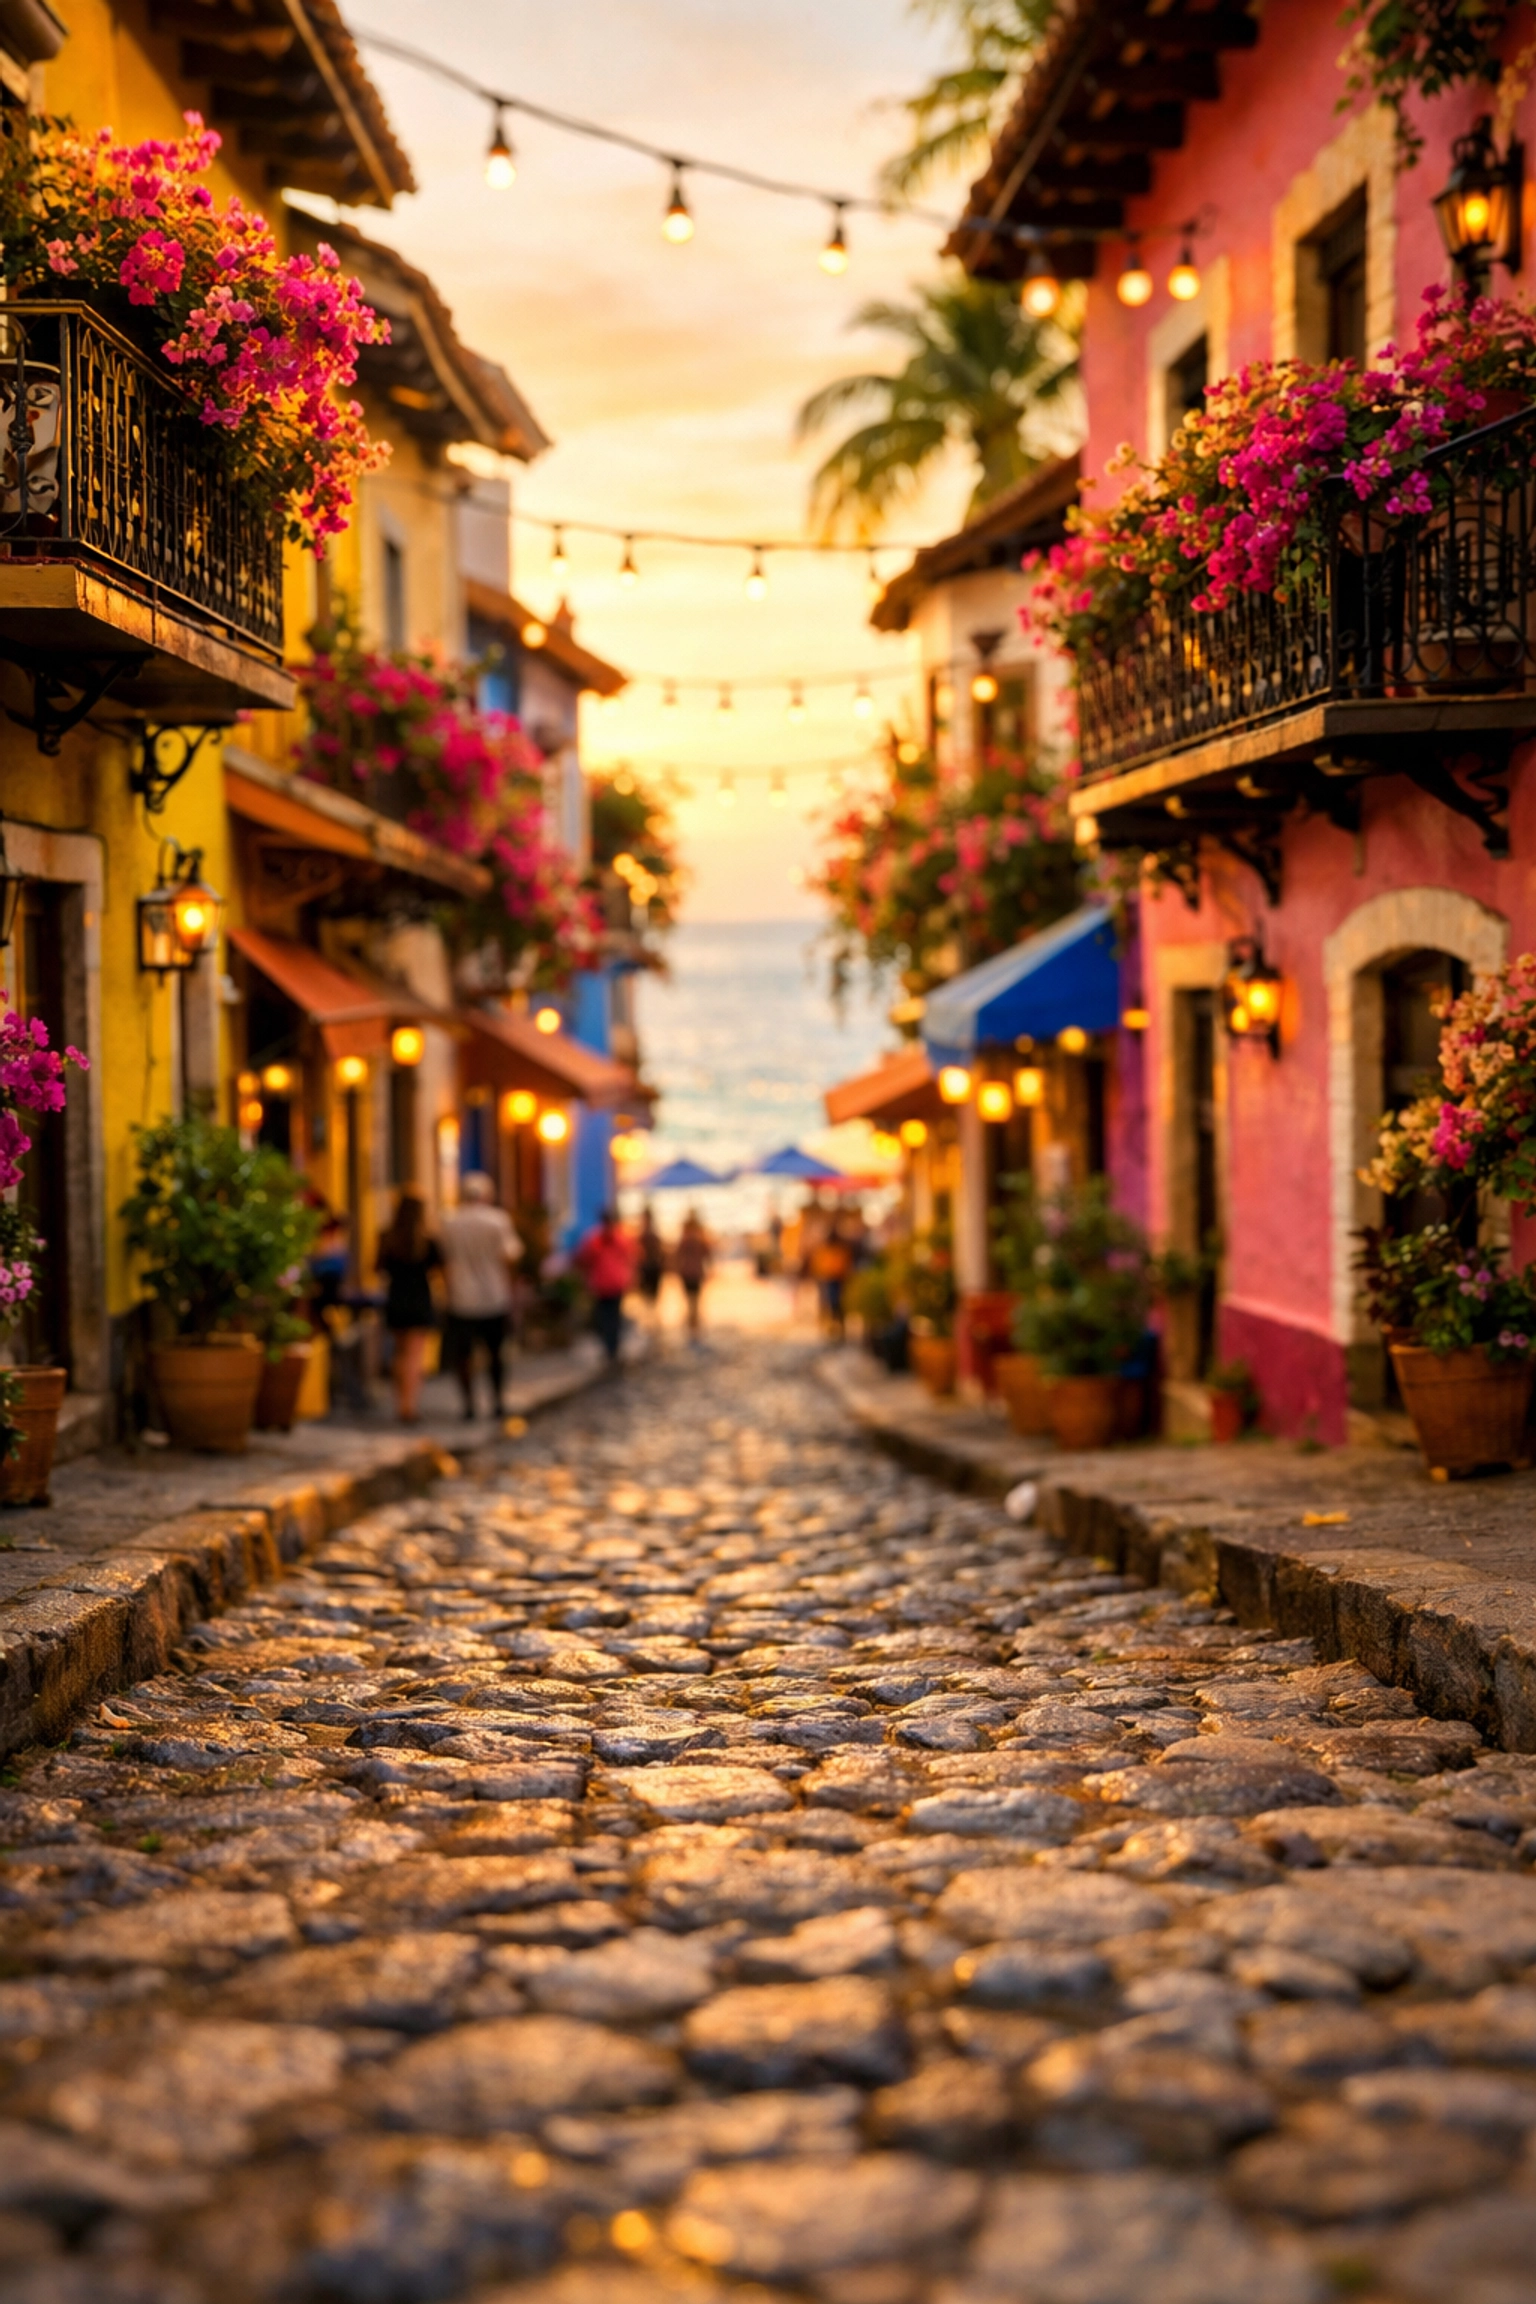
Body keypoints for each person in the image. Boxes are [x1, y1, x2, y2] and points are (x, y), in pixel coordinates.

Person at [438, 1171, 521, 1420]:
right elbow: (510, 1255)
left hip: (461, 1297)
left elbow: (444, 1260)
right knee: (496, 1352)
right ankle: (497, 1402)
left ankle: (469, 1405)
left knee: (463, 1355)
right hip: (494, 1295)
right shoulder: (497, 1220)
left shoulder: (449, 1222)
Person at [376, 1189, 440, 1424]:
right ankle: (409, 1406)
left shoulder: (388, 1237)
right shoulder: (427, 1241)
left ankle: (400, 1403)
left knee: (399, 1353)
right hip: (419, 1298)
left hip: (396, 1298)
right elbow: (439, 1269)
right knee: (414, 1356)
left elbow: (378, 1268)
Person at [576, 1207, 637, 1366]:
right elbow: (630, 1257)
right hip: (614, 1282)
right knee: (612, 1316)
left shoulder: (594, 1238)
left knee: (606, 1316)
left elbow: (584, 1258)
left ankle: (610, 1348)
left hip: (602, 1282)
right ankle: (612, 1348)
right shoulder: (619, 1237)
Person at [673, 1209, 713, 1342]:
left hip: (687, 1272)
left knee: (690, 1299)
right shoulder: (699, 1240)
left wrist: (677, 1268)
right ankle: (694, 1323)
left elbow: (677, 1255)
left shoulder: (684, 1240)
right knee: (695, 1299)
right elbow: (707, 1254)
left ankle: (692, 1323)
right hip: (696, 1272)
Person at [636, 1206, 666, 1325]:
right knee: (648, 1293)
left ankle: (651, 1316)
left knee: (651, 1293)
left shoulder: (648, 1234)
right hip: (649, 1266)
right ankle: (650, 1316)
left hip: (651, 1266)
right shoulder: (648, 1234)